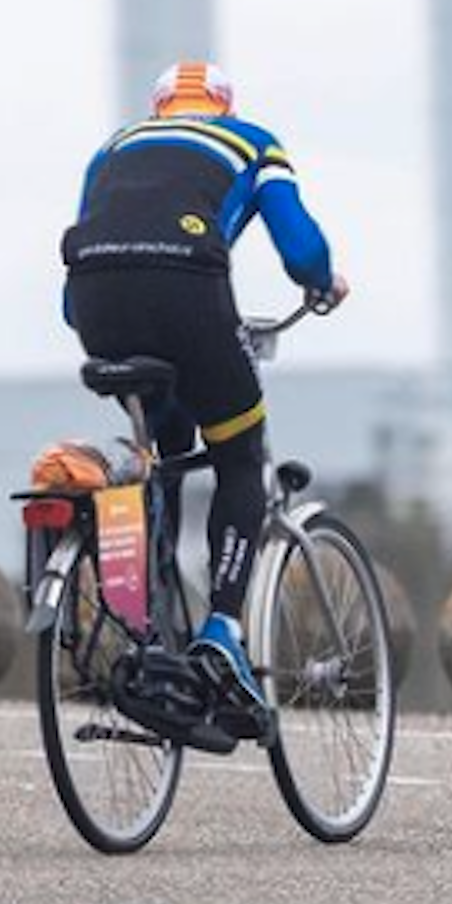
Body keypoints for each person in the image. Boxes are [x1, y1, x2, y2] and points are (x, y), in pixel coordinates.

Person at [61, 60, 347, 722]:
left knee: (161, 450)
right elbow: (301, 250)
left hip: (99, 309)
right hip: (189, 294)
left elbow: (70, 300)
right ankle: (221, 632)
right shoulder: (251, 141)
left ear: (158, 107)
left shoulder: (113, 149)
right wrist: (323, 282)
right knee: (239, 456)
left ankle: (146, 625)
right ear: (223, 104)